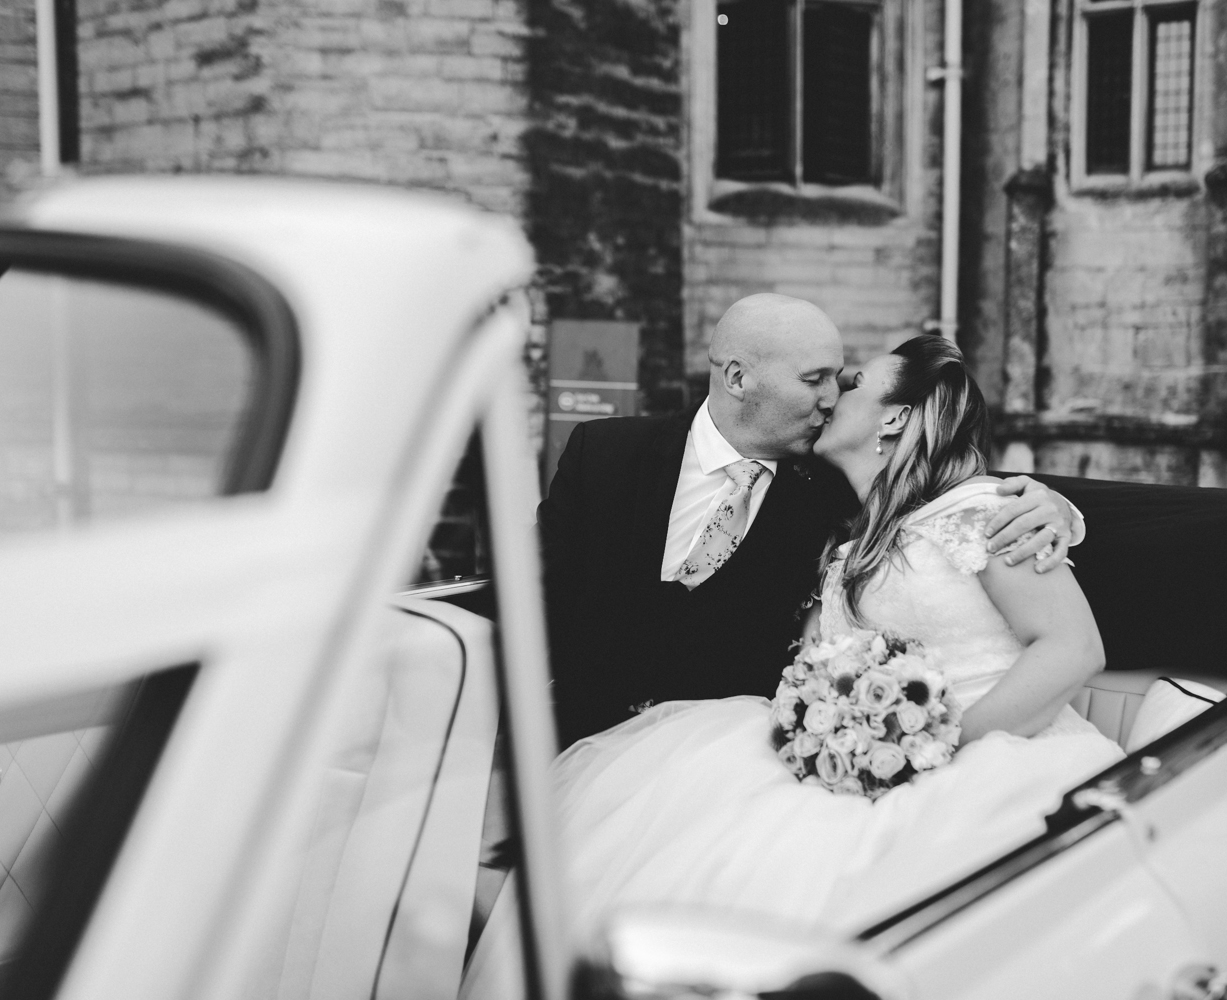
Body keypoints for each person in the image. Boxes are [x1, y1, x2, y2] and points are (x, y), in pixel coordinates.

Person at [461, 335, 1124, 997]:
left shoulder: (989, 515)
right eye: (821, 379)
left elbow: (1074, 649)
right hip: (856, 752)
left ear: (897, 415)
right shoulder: (853, 525)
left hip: (985, 757)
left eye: (854, 381)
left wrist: (938, 747)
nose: (832, 395)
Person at [538, 293, 1081, 746]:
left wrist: (1055, 505)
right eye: (815, 378)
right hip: (580, 747)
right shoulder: (603, 453)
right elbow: (531, 598)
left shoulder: (834, 489)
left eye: (843, 380)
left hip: (728, 756)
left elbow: (940, 487)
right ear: (737, 378)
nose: (830, 398)